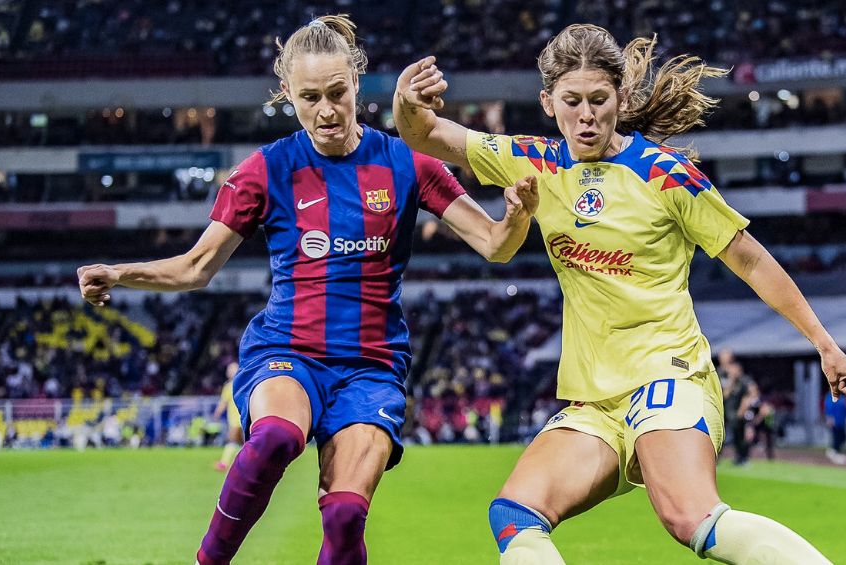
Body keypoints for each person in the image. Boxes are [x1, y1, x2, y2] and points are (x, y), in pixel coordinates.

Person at [77, 15, 537, 565]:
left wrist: (517, 216)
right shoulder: (266, 170)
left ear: (357, 86)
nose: (325, 111)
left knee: (344, 515)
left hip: (370, 367)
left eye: (337, 93)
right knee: (274, 438)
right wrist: (120, 272)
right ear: (287, 96)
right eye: (308, 97)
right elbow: (197, 268)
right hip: (287, 351)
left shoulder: (408, 165)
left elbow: (494, 245)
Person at [394, 24, 846, 565]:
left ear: (621, 98)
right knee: (516, 513)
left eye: (599, 99)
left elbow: (751, 259)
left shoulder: (666, 175)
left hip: (668, 374)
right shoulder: (534, 161)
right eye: (572, 101)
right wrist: (407, 101)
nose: (586, 115)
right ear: (548, 102)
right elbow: (424, 134)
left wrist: (823, 342)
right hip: (595, 400)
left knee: (690, 516)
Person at [213, 361, 243, 471]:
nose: (229, 372)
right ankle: (243, 464)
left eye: (231, 369)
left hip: (237, 420)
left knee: (232, 441)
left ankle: (224, 463)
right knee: (241, 443)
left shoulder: (230, 386)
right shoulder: (243, 383)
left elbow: (223, 402)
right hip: (241, 419)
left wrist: (217, 413)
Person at [824, 390, 846, 465]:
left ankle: (834, 451)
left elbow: (845, 409)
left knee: (843, 437)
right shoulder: (830, 397)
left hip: (841, 421)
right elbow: (828, 408)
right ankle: (834, 452)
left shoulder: (842, 398)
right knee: (837, 436)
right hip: (834, 421)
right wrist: (829, 418)